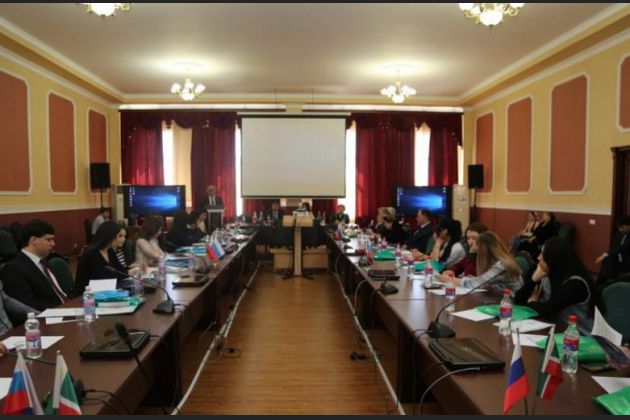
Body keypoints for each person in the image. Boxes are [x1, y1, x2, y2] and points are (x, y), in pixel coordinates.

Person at [514, 237, 594, 334]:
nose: (538, 257)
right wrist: (533, 279)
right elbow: (518, 301)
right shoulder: (545, 273)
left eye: (543, 254)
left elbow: (547, 310)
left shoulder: (575, 284)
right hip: (557, 330)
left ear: (553, 260)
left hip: (580, 336)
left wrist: (531, 302)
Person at [0, 219, 69, 311]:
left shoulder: (44, 262)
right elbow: (27, 305)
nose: (53, 244)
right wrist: (62, 311)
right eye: (48, 240)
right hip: (49, 315)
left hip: (66, 308)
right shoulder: (13, 269)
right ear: (33, 240)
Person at [441, 231, 523, 293]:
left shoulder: (501, 265)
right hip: (500, 299)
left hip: (509, 303)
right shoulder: (500, 260)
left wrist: (451, 279)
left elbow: (476, 284)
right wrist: (476, 279)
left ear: (483, 250)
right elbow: (488, 283)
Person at [74, 221, 129, 296]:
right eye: (119, 236)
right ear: (109, 235)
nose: (123, 239)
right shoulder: (91, 254)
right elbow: (103, 278)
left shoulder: (110, 251)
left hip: (104, 293)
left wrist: (133, 271)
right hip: (88, 296)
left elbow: (121, 271)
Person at [595, 215, 630, 284]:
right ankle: (603, 282)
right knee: (607, 260)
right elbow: (615, 248)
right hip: (617, 257)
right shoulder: (618, 234)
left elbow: (623, 248)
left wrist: (605, 254)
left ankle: (607, 281)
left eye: (622, 227)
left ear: (629, 226)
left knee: (607, 258)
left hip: (627, 259)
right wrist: (606, 255)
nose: (620, 229)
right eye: (619, 227)